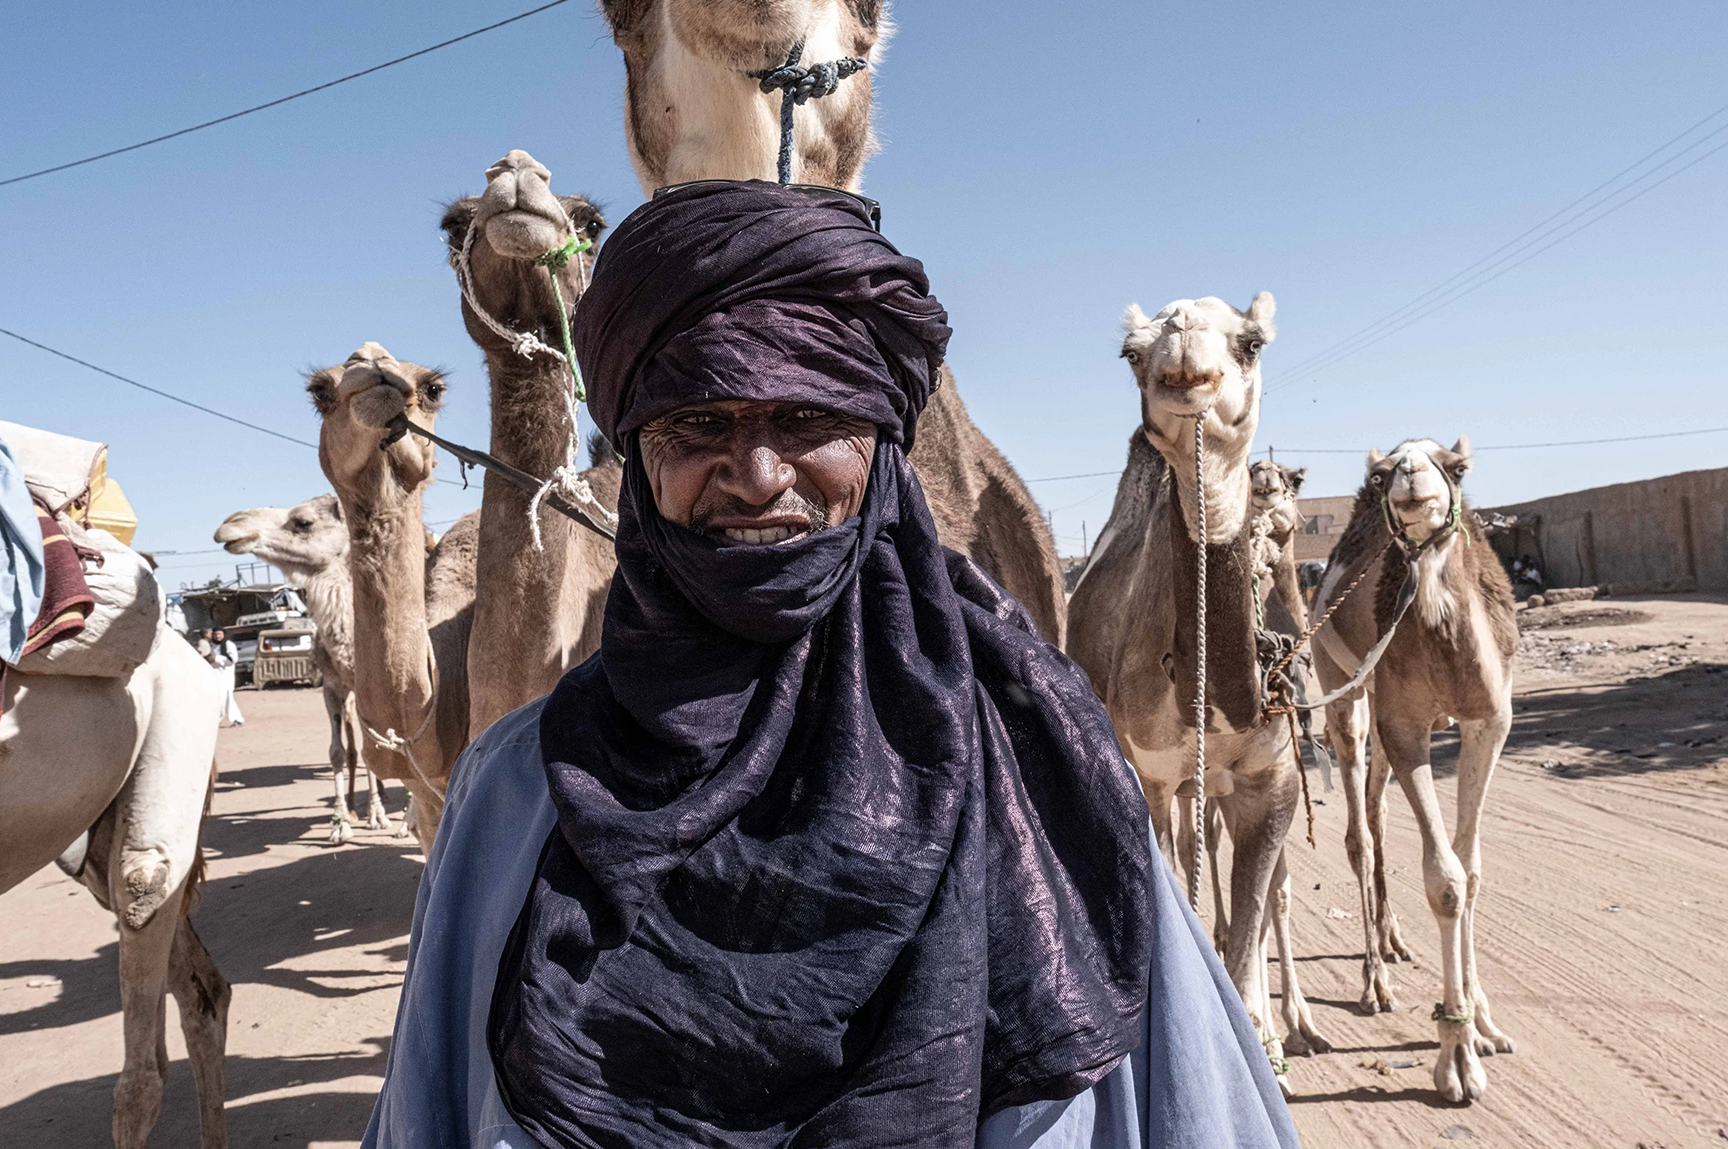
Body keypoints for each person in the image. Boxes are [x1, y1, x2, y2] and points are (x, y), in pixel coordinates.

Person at [362, 182, 1299, 1149]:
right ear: (638, 456)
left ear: (882, 447)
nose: (757, 475)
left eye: (810, 419)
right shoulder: (514, 797)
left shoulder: (1041, 761)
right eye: (697, 423)